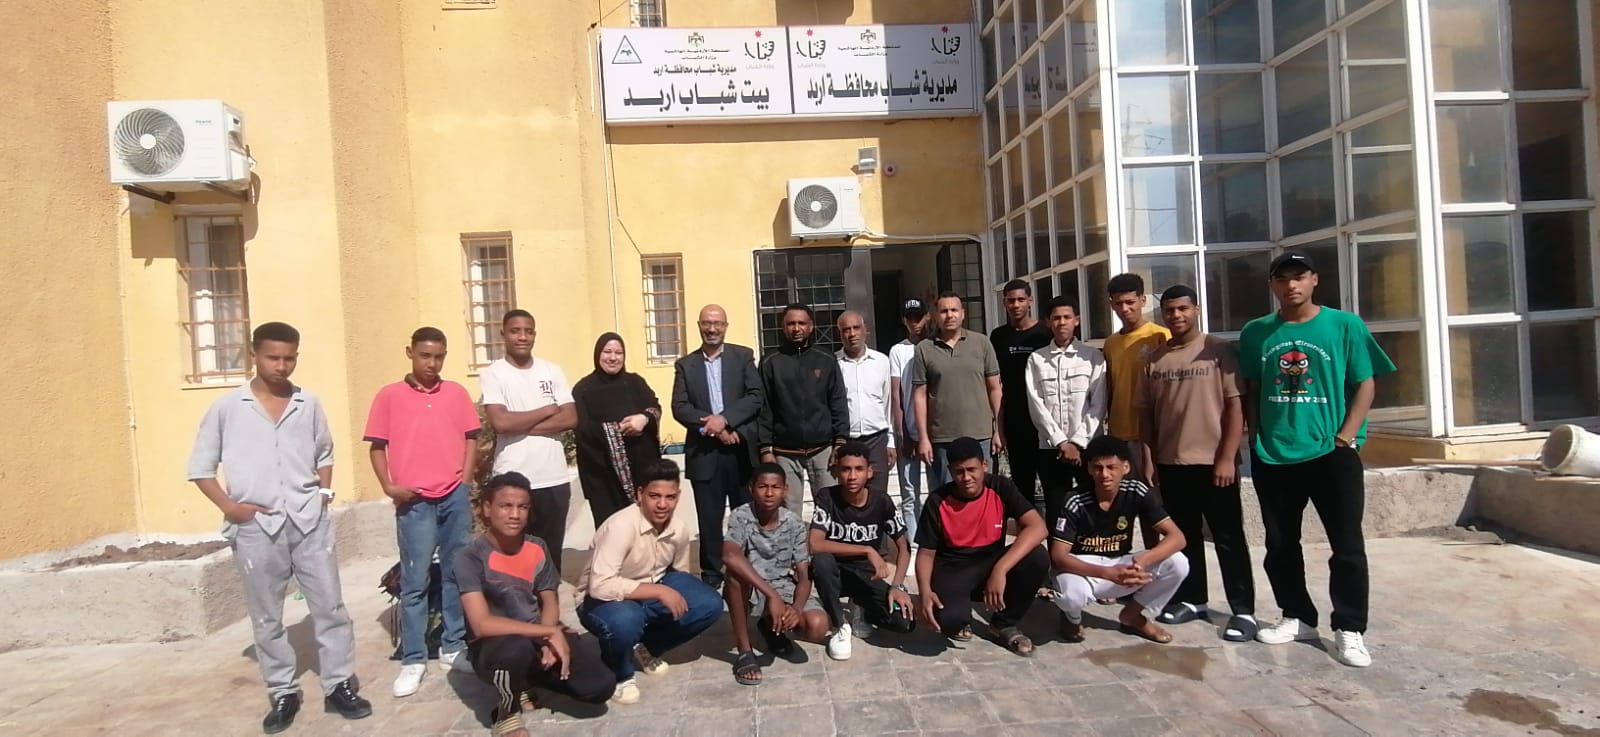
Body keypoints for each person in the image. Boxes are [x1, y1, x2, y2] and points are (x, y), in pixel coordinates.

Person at [186, 322, 371, 734]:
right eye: (273, 357)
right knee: (267, 615)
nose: (281, 366)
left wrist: (323, 496)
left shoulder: (308, 403)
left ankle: (339, 684)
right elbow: (200, 468)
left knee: (330, 607)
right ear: (254, 354)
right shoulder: (228, 408)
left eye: (289, 358)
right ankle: (283, 691)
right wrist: (232, 509)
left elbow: (324, 452)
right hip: (257, 527)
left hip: (308, 520)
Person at [1239, 252, 1395, 668]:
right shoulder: (1257, 332)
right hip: (1275, 453)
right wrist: (1255, 437)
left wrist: (1346, 436)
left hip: (1332, 453)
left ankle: (1349, 627)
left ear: (1314, 280)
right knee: (1279, 544)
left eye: (1299, 277)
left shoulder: (1344, 325)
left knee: (1346, 545)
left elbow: (1365, 383)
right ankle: (1296, 616)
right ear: (1272, 285)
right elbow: (1252, 387)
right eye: (1282, 278)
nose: (1291, 285)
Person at [363, 327, 483, 697]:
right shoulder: (389, 396)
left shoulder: (456, 393)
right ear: (410, 353)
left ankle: (452, 645)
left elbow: (471, 438)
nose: (432, 363)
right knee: (415, 580)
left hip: (453, 497)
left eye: (438, 356)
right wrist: (389, 487)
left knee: (455, 573)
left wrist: (464, 482)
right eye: (425, 355)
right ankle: (413, 658)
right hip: (413, 501)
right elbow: (377, 447)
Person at [1139, 286, 1257, 641]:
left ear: (1197, 309)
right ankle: (1193, 600)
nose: (1176, 316)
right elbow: (1147, 416)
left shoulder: (1218, 350)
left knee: (1228, 538)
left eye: (1183, 309)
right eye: (1169, 310)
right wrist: (1150, 459)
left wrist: (1227, 457)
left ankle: (1243, 611)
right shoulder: (1155, 358)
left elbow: (1235, 406)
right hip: (1171, 463)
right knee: (1184, 536)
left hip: (1213, 463)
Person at [456, 472, 615, 736]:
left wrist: (548, 639)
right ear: (486, 508)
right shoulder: (469, 557)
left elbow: (549, 600)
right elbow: (482, 624)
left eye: (522, 507)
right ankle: (507, 711)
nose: (514, 514)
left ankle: (526, 678)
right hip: (495, 646)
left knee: (600, 686)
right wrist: (548, 632)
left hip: (536, 635)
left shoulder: (537, 547)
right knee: (515, 649)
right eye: (506, 506)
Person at [577, 459, 723, 704]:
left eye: (670, 497)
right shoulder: (621, 526)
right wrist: (659, 592)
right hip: (600, 600)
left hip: (647, 592)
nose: (662, 504)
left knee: (709, 603)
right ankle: (620, 672)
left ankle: (646, 647)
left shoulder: (679, 528)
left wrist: (671, 595)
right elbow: (600, 586)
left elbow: (680, 575)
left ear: (678, 496)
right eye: (655, 496)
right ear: (640, 494)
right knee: (626, 620)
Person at [914, 437, 1050, 656]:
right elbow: (926, 554)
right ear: (950, 471)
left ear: (984, 465)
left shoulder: (1000, 487)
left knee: (1038, 556)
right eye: (959, 471)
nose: (966, 478)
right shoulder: (937, 501)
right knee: (947, 620)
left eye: (972, 469)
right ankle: (960, 614)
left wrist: (1000, 569)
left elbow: (1038, 527)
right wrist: (924, 592)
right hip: (953, 568)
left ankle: (1003, 623)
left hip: (990, 561)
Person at [1049, 437, 1190, 644]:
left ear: (1126, 467)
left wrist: (1143, 561)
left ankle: (1132, 616)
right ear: (1089, 469)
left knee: (1178, 563)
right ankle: (1072, 617)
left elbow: (1177, 537)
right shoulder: (1075, 500)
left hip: (1122, 564)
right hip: (1085, 569)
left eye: (1111, 467)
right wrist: (1107, 573)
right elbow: (1058, 557)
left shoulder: (1136, 491)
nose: (1104, 474)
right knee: (1071, 594)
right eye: (1098, 468)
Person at [670, 304, 764, 589]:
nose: (712, 329)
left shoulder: (743, 356)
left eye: (718, 323)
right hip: (705, 453)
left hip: (739, 450)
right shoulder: (685, 365)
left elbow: (755, 396)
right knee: (709, 519)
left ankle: (748, 570)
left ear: (725, 326)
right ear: (699, 325)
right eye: (707, 323)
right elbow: (680, 407)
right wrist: (713, 428)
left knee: (745, 515)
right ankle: (712, 573)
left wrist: (726, 420)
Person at [480, 309, 578, 574]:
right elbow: (501, 423)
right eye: (515, 331)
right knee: (512, 553)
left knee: (550, 555)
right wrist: (546, 410)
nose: (522, 337)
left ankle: (548, 600)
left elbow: (570, 418)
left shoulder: (552, 370)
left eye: (528, 331)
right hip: (512, 477)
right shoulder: (494, 374)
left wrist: (520, 425)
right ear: (503, 334)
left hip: (553, 478)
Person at [722, 463, 830, 684]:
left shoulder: (794, 523)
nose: (769, 493)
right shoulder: (741, 516)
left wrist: (796, 608)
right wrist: (772, 596)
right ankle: (744, 651)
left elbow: (804, 576)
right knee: (734, 575)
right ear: (752, 488)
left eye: (775, 487)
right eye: (763, 486)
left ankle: (770, 625)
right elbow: (729, 554)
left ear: (785, 490)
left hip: (783, 585)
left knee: (818, 626)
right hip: (752, 587)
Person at [809, 442, 917, 661]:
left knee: (905, 622)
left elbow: (904, 547)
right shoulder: (827, 497)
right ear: (837, 472)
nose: (852, 476)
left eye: (858, 469)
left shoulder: (882, 501)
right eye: (846, 469)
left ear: (869, 472)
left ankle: (862, 607)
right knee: (821, 561)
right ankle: (840, 625)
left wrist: (897, 586)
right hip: (835, 573)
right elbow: (815, 544)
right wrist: (867, 549)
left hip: (866, 576)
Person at [1024, 297, 1108, 525]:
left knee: (1093, 504)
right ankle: (1058, 549)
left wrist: (1077, 442)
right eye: (1056, 318)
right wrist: (1061, 441)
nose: (1062, 322)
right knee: (1056, 508)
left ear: (1076, 320)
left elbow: (1098, 404)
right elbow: (1036, 404)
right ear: (1048, 322)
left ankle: (1092, 547)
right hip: (1051, 448)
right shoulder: (1037, 359)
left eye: (1067, 317)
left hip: (1087, 447)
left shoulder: (1092, 357)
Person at [759, 303, 849, 514]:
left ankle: (826, 539)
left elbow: (838, 402)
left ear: (811, 326)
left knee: (829, 510)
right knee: (788, 513)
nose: (796, 328)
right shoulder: (770, 363)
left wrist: (840, 442)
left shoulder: (826, 360)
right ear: (783, 327)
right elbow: (764, 408)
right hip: (784, 453)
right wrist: (765, 449)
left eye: (801, 323)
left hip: (823, 450)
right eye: (791, 323)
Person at [911, 292, 1002, 489]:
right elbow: (919, 396)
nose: (949, 315)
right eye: (944, 311)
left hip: (981, 434)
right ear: (936, 316)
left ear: (963, 313)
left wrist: (998, 430)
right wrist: (923, 438)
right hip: (942, 438)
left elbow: (995, 389)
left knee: (983, 492)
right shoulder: (924, 349)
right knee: (947, 495)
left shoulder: (982, 343)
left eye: (954, 310)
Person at [573, 332, 663, 527]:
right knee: (612, 533)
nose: (613, 357)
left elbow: (654, 407)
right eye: (607, 352)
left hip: (642, 473)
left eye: (618, 352)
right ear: (598, 354)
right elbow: (582, 428)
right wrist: (617, 430)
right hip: (603, 479)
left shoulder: (635, 382)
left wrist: (644, 418)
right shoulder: (583, 389)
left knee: (646, 533)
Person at [990, 280, 1052, 517]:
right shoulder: (998, 336)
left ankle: (1055, 534)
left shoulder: (1045, 333)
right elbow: (995, 383)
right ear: (1004, 303)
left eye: (1020, 300)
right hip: (1015, 421)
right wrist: (998, 426)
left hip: (1045, 421)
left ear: (1030, 301)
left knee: (1051, 484)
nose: (1016, 305)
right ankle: (1029, 532)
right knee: (1022, 484)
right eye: (1011, 301)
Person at [1103, 273, 1170, 488]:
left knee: (1155, 497)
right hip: (1119, 433)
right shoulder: (1111, 343)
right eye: (1118, 303)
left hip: (1151, 433)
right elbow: (1111, 387)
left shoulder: (1160, 336)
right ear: (1111, 305)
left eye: (1130, 302)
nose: (1125, 309)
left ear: (1143, 300)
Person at [835, 311, 896, 496]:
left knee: (878, 495)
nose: (852, 334)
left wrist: (891, 441)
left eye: (856, 328)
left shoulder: (881, 361)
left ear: (865, 330)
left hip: (876, 440)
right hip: (846, 439)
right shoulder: (833, 363)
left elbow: (888, 403)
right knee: (848, 494)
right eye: (846, 329)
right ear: (840, 334)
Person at [889, 299, 932, 544]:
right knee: (909, 492)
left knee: (937, 490)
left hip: (934, 430)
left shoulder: (934, 345)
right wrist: (901, 431)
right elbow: (897, 395)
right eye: (910, 318)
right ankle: (915, 543)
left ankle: (936, 541)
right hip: (908, 429)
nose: (915, 323)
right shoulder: (898, 351)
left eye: (919, 317)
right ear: (904, 321)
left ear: (927, 317)